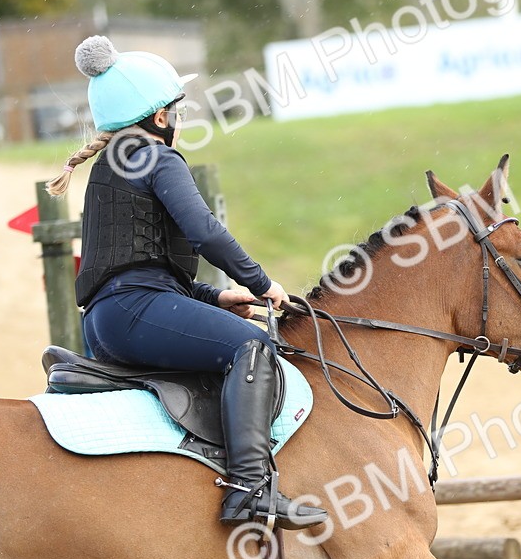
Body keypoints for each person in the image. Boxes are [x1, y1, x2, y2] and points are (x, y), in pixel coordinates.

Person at [45, 35, 326, 531]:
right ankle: (248, 489)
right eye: (176, 110)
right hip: (135, 312)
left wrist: (215, 296)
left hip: (108, 320)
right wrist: (263, 284)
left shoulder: (109, 169)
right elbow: (205, 232)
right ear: (159, 118)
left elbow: (137, 264)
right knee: (254, 346)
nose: (179, 118)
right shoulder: (159, 158)